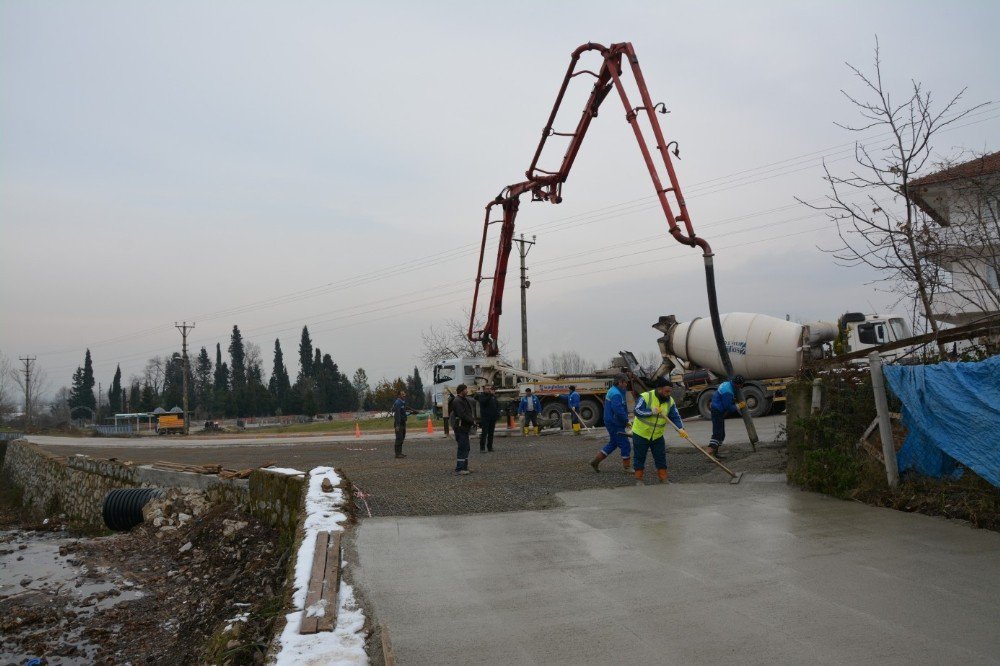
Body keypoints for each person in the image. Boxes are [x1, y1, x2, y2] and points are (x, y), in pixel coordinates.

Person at [631, 377, 688, 485]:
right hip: (641, 434)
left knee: (660, 456)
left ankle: (663, 478)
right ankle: (638, 479)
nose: (668, 394)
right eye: (667, 391)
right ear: (659, 389)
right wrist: (651, 412)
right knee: (639, 456)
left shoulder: (670, 401)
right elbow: (637, 411)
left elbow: (675, 416)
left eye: (670, 391)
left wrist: (680, 429)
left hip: (657, 435)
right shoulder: (645, 397)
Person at [590, 374, 632, 473]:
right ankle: (627, 467)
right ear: (620, 382)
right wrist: (626, 421)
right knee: (625, 443)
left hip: (612, 421)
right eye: (625, 382)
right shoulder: (616, 393)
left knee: (613, 443)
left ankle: (595, 461)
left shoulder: (615, 391)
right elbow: (618, 410)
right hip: (614, 422)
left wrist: (624, 420)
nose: (626, 384)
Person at [709, 375, 747, 460]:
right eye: (741, 385)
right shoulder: (728, 391)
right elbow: (728, 407)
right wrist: (739, 406)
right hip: (717, 410)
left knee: (721, 434)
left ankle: (715, 453)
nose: (741, 387)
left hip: (717, 408)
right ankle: (710, 453)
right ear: (737, 384)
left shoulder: (727, 384)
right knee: (718, 433)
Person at [451, 384, 477, 474]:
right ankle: (459, 469)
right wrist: (472, 421)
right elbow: (462, 415)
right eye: (466, 389)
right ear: (461, 391)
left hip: (465, 427)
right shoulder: (457, 401)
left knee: (466, 448)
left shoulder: (463, 399)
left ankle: (465, 467)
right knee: (462, 448)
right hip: (460, 428)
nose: (467, 391)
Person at [392, 389, 416, 459]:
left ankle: (400, 453)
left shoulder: (402, 402)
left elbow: (405, 408)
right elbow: (397, 415)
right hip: (399, 424)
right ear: (399, 395)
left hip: (403, 423)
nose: (404, 395)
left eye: (404, 394)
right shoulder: (398, 403)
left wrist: (413, 411)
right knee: (399, 438)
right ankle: (397, 454)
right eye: (402, 394)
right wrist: (397, 425)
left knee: (402, 437)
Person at [475, 384, 500, 452]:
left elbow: (496, 406)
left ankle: (490, 447)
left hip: (492, 418)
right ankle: (482, 448)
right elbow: (483, 402)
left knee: (491, 433)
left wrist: (497, 415)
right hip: (485, 418)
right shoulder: (482, 396)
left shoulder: (493, 397)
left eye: (490, 388)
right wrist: (490, 395)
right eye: (487, 389)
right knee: (484, 433)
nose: (489, 390)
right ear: (484, 389)